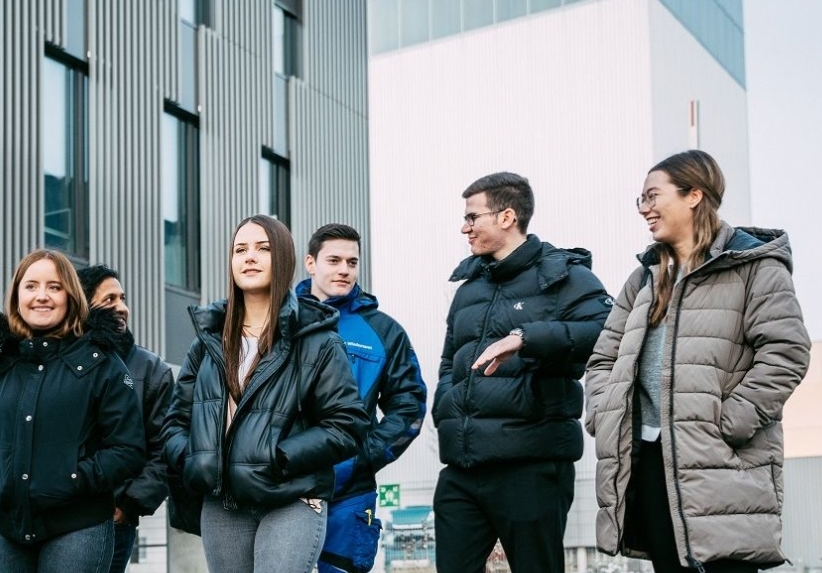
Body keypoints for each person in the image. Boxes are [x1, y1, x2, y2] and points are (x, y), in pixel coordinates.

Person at [585, 150, 810, 573]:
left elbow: (786, 353)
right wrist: (604, 412)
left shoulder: (754, 268)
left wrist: (729, 422)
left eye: (653, 196)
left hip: (722, 460)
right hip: (650, 460)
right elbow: (603, 359)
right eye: (641, 199)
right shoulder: (645, 278)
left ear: (693, 195)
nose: (644, 208)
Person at [163, 215, 366, 573]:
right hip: (223, 502)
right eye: (240, 250)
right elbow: (174, 424)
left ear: (283, 258)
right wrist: (197, 459)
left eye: (263, 248)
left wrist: (279, 457)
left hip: (291, 496)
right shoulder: (206, 343)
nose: (250, 257)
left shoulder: (318, 341)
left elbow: (346, 425)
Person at [433, 172, 611, 573]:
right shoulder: (468, 288)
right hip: (462, 468)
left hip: (530, 466)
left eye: (472, 217)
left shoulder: (565, 276)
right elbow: (450, 361)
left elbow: (607, 330)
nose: (465, 228)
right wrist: (445, 407)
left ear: (507, 217)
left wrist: (527, 337)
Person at [0, 249, 146, 573]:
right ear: (17, 296)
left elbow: (127, 449)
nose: (42, 296)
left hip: (79, 525)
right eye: (31, 286)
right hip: (9, 527)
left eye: (54, 287)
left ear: (71, 296)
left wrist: (74, 478)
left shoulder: (102, 364)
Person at [294, 223, 426, 573]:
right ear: (311, 263)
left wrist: (365, 456)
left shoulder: (383, 331)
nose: (344, 270)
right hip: (284, 487)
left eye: (352, 262)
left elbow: (409, 405)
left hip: (349, 492)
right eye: (334, 260)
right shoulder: (281, 322)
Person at [75, 265, 175, 573]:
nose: (122, 307)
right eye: (109, 300)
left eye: (123, 298)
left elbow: (166, 450)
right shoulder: (61, 363)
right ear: (82, 306)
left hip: (113, 519)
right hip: (55, 515)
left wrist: (129, 505)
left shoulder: (152, 369)